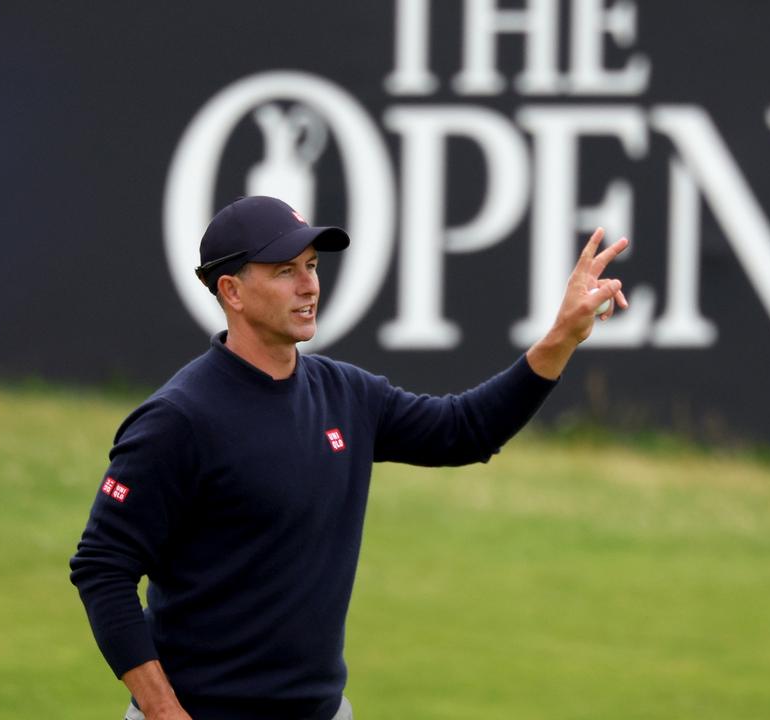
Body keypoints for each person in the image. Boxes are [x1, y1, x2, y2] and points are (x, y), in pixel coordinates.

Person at [70, 196, 629, 720]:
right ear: (231, 292)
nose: (308, 285)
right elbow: (103, 566)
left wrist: (560, 337)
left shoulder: (344, 394)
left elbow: (464, 431)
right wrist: (163, 711)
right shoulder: (179, 420)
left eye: (312, 265)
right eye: (285, 271)